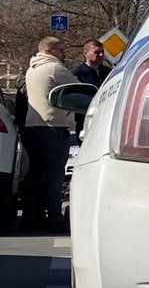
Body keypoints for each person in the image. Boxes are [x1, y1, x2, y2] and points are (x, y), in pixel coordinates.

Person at [20, 37, 79, 233]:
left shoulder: (32, 69)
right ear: (52, 50)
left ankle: (31, 217)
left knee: (36, 175)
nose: (63, 54)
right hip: (52, 126)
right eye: (61, 50)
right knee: (55, 175)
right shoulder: (55, 68)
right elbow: (78, 89)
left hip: (32, 126)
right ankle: (55, 219)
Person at [71, 39, 111, 135]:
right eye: (97, 52)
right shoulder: (76, 74)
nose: (101, 55)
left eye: (102, 52)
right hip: (84, 121)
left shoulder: (108, 72)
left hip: (105, 119)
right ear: (85, 53)